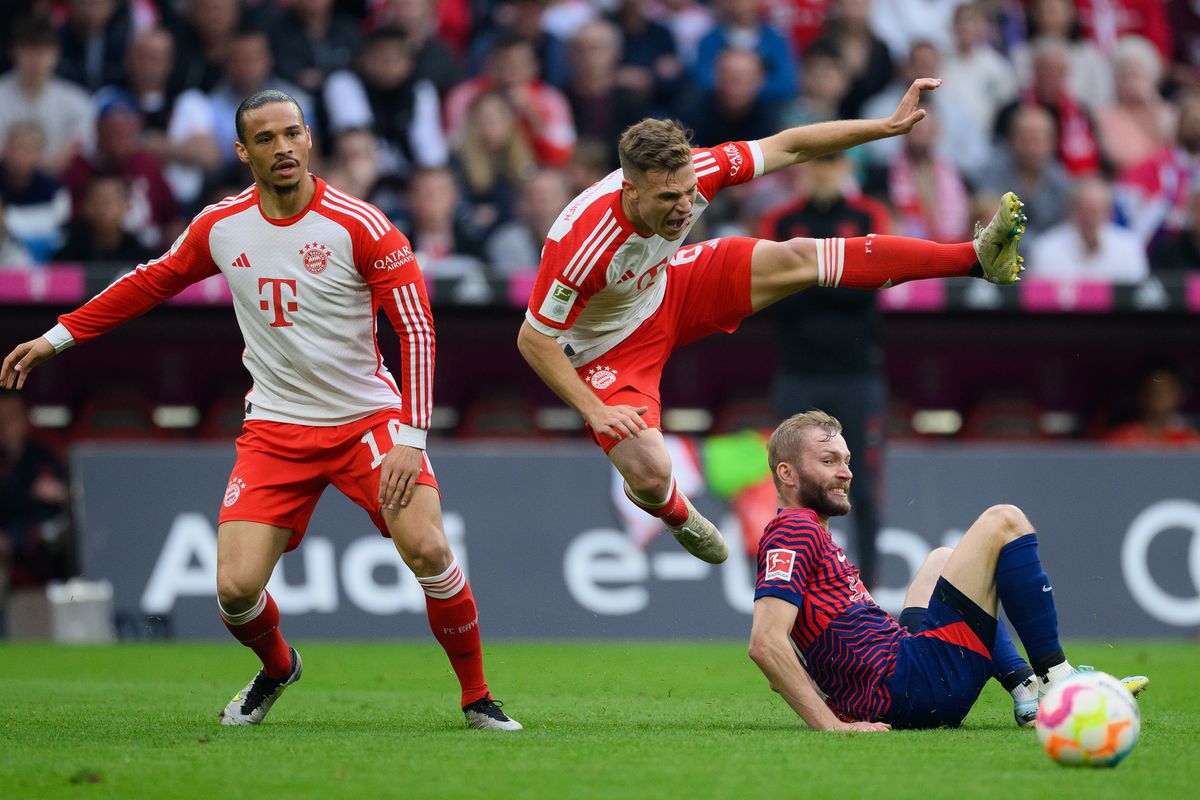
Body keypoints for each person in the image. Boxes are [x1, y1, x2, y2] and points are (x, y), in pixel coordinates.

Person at [0, 90, 521, 732]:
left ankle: (477, 698)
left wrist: (411, 436)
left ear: (309, 141)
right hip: (276, 427)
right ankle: (277, 668)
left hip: (370, 423)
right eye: (267, 138)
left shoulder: (363, 226)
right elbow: (149, 280)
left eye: (293, 134)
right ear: (243, 151)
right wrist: (57, 337)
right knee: (235, 591)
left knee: (430, 549)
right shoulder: (223, 225)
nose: (283, 148)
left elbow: (416, 331)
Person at [518, 79, 1027, 566]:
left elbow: (788, 147)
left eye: (690, 193)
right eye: (667, 199)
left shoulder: (698, 171)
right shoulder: (584, 246)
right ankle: (675, 511)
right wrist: (592, 409)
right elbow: (533, 339)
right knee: (651, 472)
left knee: (801, 257)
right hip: (604, 351)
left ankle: (975, 257)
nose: (683, 208)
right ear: (630, 190)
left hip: (667, 287)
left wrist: (884, 127)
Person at [748, 410, 1149, 730]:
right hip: (910, 686)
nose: (846, 472)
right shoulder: (795, 529)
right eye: (828, 461)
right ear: (786, 473)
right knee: (1004, 521)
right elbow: (767, 644)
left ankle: (1024, 684)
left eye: (847, 461)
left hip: (901, 679)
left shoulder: (805, 533)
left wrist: (837, 698)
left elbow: (785, 662)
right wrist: (831, 724)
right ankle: (1058, 681)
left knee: (941, 559)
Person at [758, 151, 891, 587]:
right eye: (817, 163)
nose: (823, 171)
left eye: (832, 163)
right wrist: (838, 278)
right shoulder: (780, 222)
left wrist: (810, 279)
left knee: (864, 484)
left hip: (857, 375)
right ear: (804, 170)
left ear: (846, 169)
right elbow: (774, 294)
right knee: (795, 482)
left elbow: (870, 286)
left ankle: (865, 590)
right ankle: (795, 585)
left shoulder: (867, 215)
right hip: (799, 374)